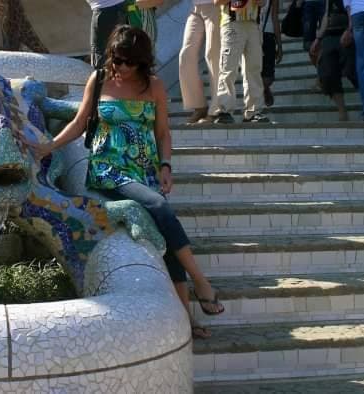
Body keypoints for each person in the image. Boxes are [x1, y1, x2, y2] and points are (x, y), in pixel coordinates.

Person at [27, 25, 225, 339]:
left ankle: (187, 318)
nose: (121, 67)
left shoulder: (155, 86)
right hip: (108, 169)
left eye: (128, 62)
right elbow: (80, 123)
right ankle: (201, 282)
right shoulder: (100, 79)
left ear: (141, 61)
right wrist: (49, 146)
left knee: (163, 233)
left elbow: (162, 133)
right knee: (158, 205)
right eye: (117, 59)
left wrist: (165, 165)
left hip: (144, 170)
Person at [213, 0, 270, 123]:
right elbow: (217, 2)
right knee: (228, 68)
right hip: (232, 22)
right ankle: (224, 110)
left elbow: (263, 3)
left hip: (253, 24)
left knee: (254, 69)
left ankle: (253, 112)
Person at [310, 0, 358, 121]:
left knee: (353, 71)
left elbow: (353, 9)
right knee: (327, 74)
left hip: (347, 33)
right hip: (330, 35)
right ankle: (342, 112)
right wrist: (318, 37)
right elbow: (327, 14)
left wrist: (350, 30)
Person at [178, 0, 221, 124]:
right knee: (185, 56)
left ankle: (216, 110)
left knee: (213, 54)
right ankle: (199, 106)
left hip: (215, 5)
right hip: (196, 8)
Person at [87, 0, 128, 69]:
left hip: (105, 9)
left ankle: (103, 78)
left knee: (100, 52)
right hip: (116, 8)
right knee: (120, 49)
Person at [260, 0, 283, 107]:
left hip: (268, 34)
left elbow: (275, 18)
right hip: (250, 34)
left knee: (268, 77)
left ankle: (265, 87)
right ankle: (262, 89)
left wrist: (279, 45)